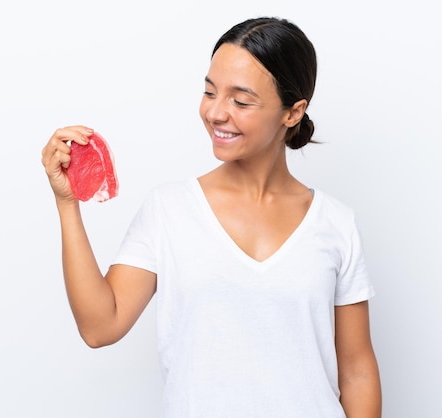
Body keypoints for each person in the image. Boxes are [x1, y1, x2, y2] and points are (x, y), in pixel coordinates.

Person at [41, 16, 381, 418]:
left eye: (240, 100)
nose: (216, 113)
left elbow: (357, 370)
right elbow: (100, 327)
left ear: (293, 112)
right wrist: (67, 205)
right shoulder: (168, 209)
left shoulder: (335, 224)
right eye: (209, 91)